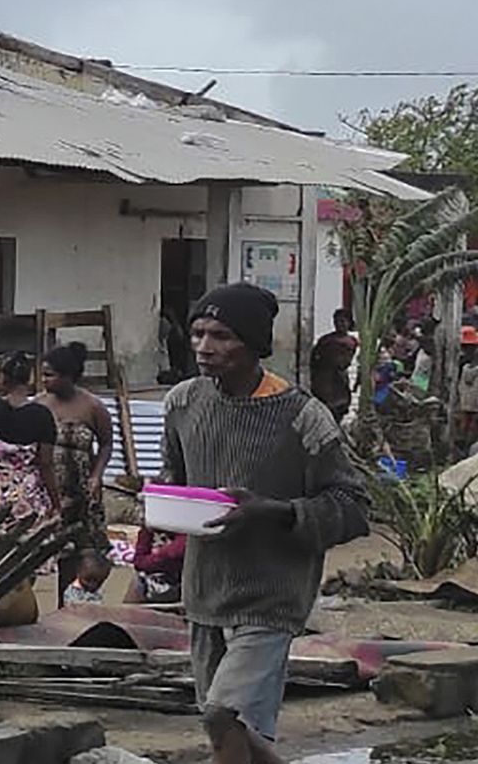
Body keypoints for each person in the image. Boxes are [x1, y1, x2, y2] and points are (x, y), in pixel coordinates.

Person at [162, 283, 369, 764]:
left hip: (271, 595)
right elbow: (178, 476)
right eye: (197, 333)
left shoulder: (303, 417)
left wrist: (274, 510)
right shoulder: (182, 404)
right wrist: (162, 497)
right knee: (228, 732)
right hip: (206, 590)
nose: (204, 347)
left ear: (255, 344)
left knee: (223, 715)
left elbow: (353, 506)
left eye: (221, 335)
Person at [38, 342, 115, 604]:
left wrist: (96, 475)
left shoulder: (93, 407)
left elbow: (106, 444)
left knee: (82, 554)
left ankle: (71, 607)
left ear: (68, 376)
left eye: (50, 374)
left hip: (83, 490)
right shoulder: (39, 405)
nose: (44, 380)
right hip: (50, 490)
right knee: (50, 550)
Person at [0, 351, 58, 521]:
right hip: (26, 500)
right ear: (29, 379)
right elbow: (46, 464)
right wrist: (55, 502)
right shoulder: (42, 416)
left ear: (3, 379)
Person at [309, 308, 359, 421]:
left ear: (348, 322)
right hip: (324, 382)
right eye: (337, 321)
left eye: (343, 321)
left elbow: (344, 362)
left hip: (339, 382)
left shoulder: (350, 342)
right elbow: (314, 360)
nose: (339, 324)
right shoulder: (325, 340)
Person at [125, 525, 186, 605]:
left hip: (176, 585)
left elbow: (141, 562)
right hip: (153, 578)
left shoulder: (184, 540)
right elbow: (139, 561)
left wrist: (147, 531)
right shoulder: (151, 530)